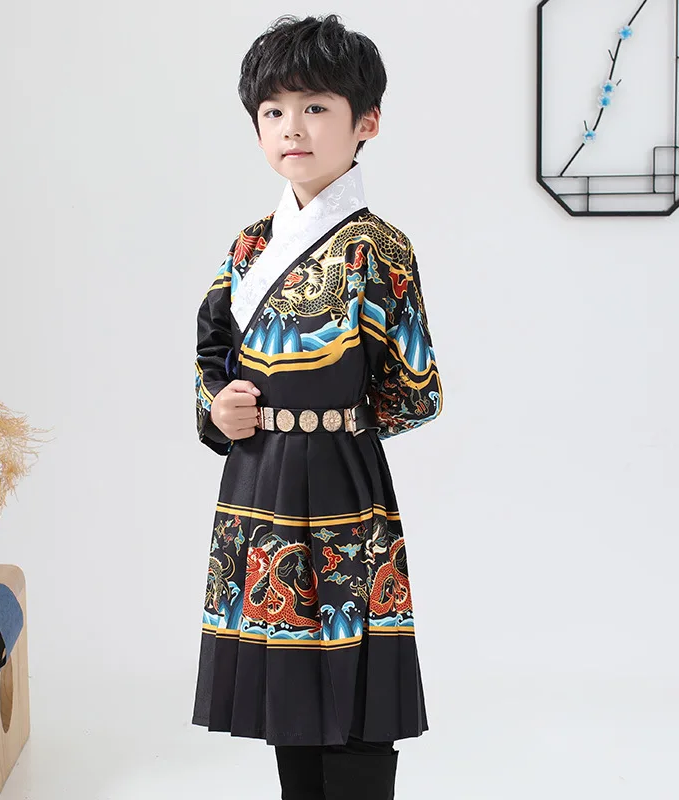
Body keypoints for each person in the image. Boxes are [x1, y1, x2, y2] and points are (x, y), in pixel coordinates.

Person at [191, 13, 444, 800]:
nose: (291, 127)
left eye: (315, 107)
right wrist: (220, 409)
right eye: (273, 110)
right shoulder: (249, 246)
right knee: (288, 678)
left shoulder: (379, 248)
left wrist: (339, 423)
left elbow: (417, 390)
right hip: (259, 481)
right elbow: (213, 348)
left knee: (354, 661)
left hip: (341, 484)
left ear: (366, 121)